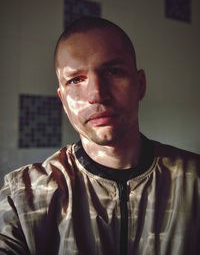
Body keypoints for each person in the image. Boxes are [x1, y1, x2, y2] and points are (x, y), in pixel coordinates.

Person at [0, 17, 199, 255]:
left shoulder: (195, 181)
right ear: (63, 100)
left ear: (140, 84)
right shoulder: (24, 197)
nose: (97, 94)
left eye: (113, 71)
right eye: (75, 80)